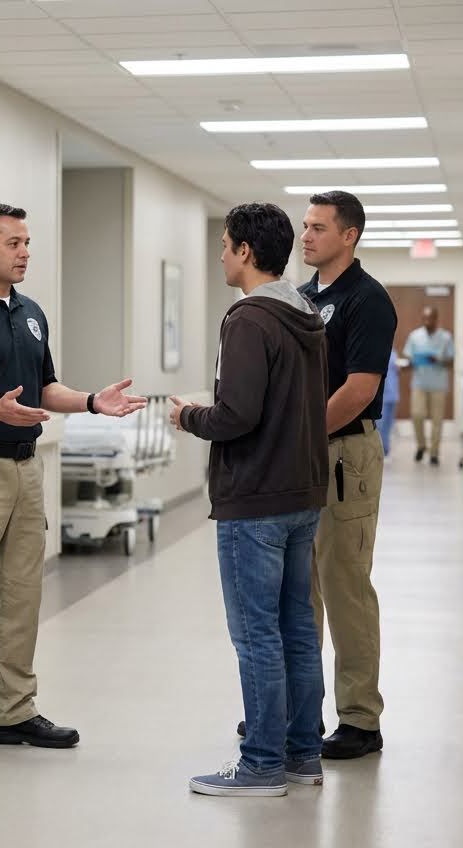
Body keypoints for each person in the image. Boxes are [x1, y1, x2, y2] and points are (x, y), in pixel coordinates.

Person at [0, 203, 147, 764]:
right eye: (14, 243)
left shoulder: (31, 313)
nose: (25, 253)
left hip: (24, 468)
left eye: (26, 243)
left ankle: (14, 712)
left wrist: (92, 402)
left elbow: (44, 389)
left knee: (21, 596)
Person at [171, 203, 328, 797]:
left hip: (255, 499)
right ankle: (301, 756)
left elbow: (237, 415)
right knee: (297, 628)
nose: (219, 255)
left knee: (256, 634)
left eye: (225, 244)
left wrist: (188, 416)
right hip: (301, 495)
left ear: (244, 252)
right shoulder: (305, 314)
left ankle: (262, 763)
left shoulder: (248, 320)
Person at [290, 190, 396, 760]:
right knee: (298, 588)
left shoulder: (366, 299)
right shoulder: (302, 297)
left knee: (345, 585)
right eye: (304, 226)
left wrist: (300, 433)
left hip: (343, 456)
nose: (305, 237)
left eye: (318, 228)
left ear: (349, 235)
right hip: (302, 455)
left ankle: (359, 718)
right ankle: (299, 712)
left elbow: (359, 389)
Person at [403, 306, 454, 465]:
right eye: (424, 318)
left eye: (430, 318)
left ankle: (434, 452)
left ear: (436, 319)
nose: (427, 321)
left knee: (437, 420)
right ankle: (421, 445)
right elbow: (409, 358)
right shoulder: (415, 336)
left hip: (438, 384)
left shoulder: (445, 337)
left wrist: (437, 360)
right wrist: (408, 364)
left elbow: (450, 361)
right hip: (419, 382)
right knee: (417, 415)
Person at [377, 350, 400, 456]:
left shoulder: (393, 352)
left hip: (392, 393)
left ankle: (386, 449)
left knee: (388, 424)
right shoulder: (375, 350)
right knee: (380, 425)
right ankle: (379, 450)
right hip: (382, 395)